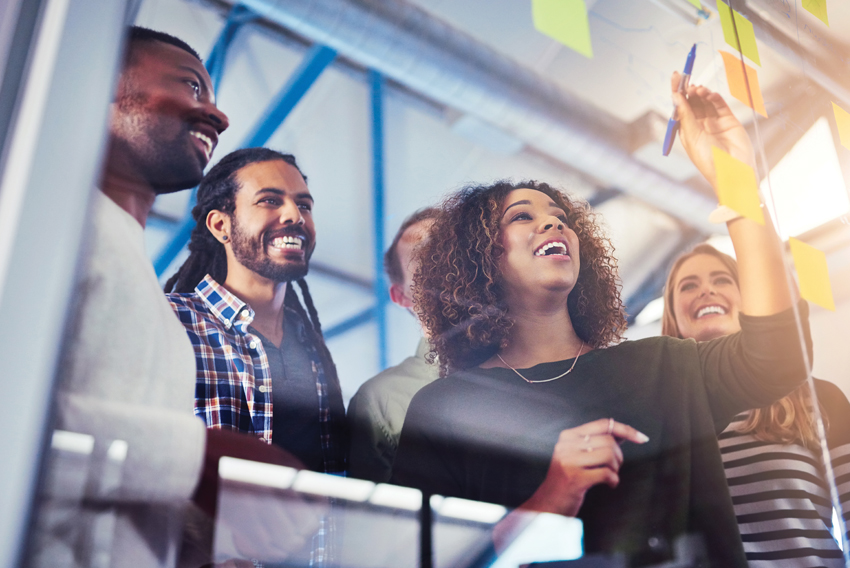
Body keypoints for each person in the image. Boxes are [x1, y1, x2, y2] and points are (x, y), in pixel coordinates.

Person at [390, 77, 811, 566]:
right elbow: (423, 557)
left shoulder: (664, 366)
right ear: (480, 258)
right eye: (521, 216)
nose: (554, 223)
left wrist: (735, 180)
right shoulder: (444, 408)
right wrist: (552, 498)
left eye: (559, 215)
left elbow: (779, 353)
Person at [661, 243, 850, 567]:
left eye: (722, 280)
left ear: (750, 300)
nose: (706, 290)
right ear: (673, 317)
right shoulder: (657, 415)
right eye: (689, 285)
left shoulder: (819, 398)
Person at [165, 147, 346, 475]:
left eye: (304, 205)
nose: (295, 215)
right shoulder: (169, 323)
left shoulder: (314, 350)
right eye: (270, 200)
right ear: (221, 225)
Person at [348, 208, 441, 482]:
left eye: (450, 245)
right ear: (400, 296)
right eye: (421, 254)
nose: (440, 258)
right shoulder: (379, 401)